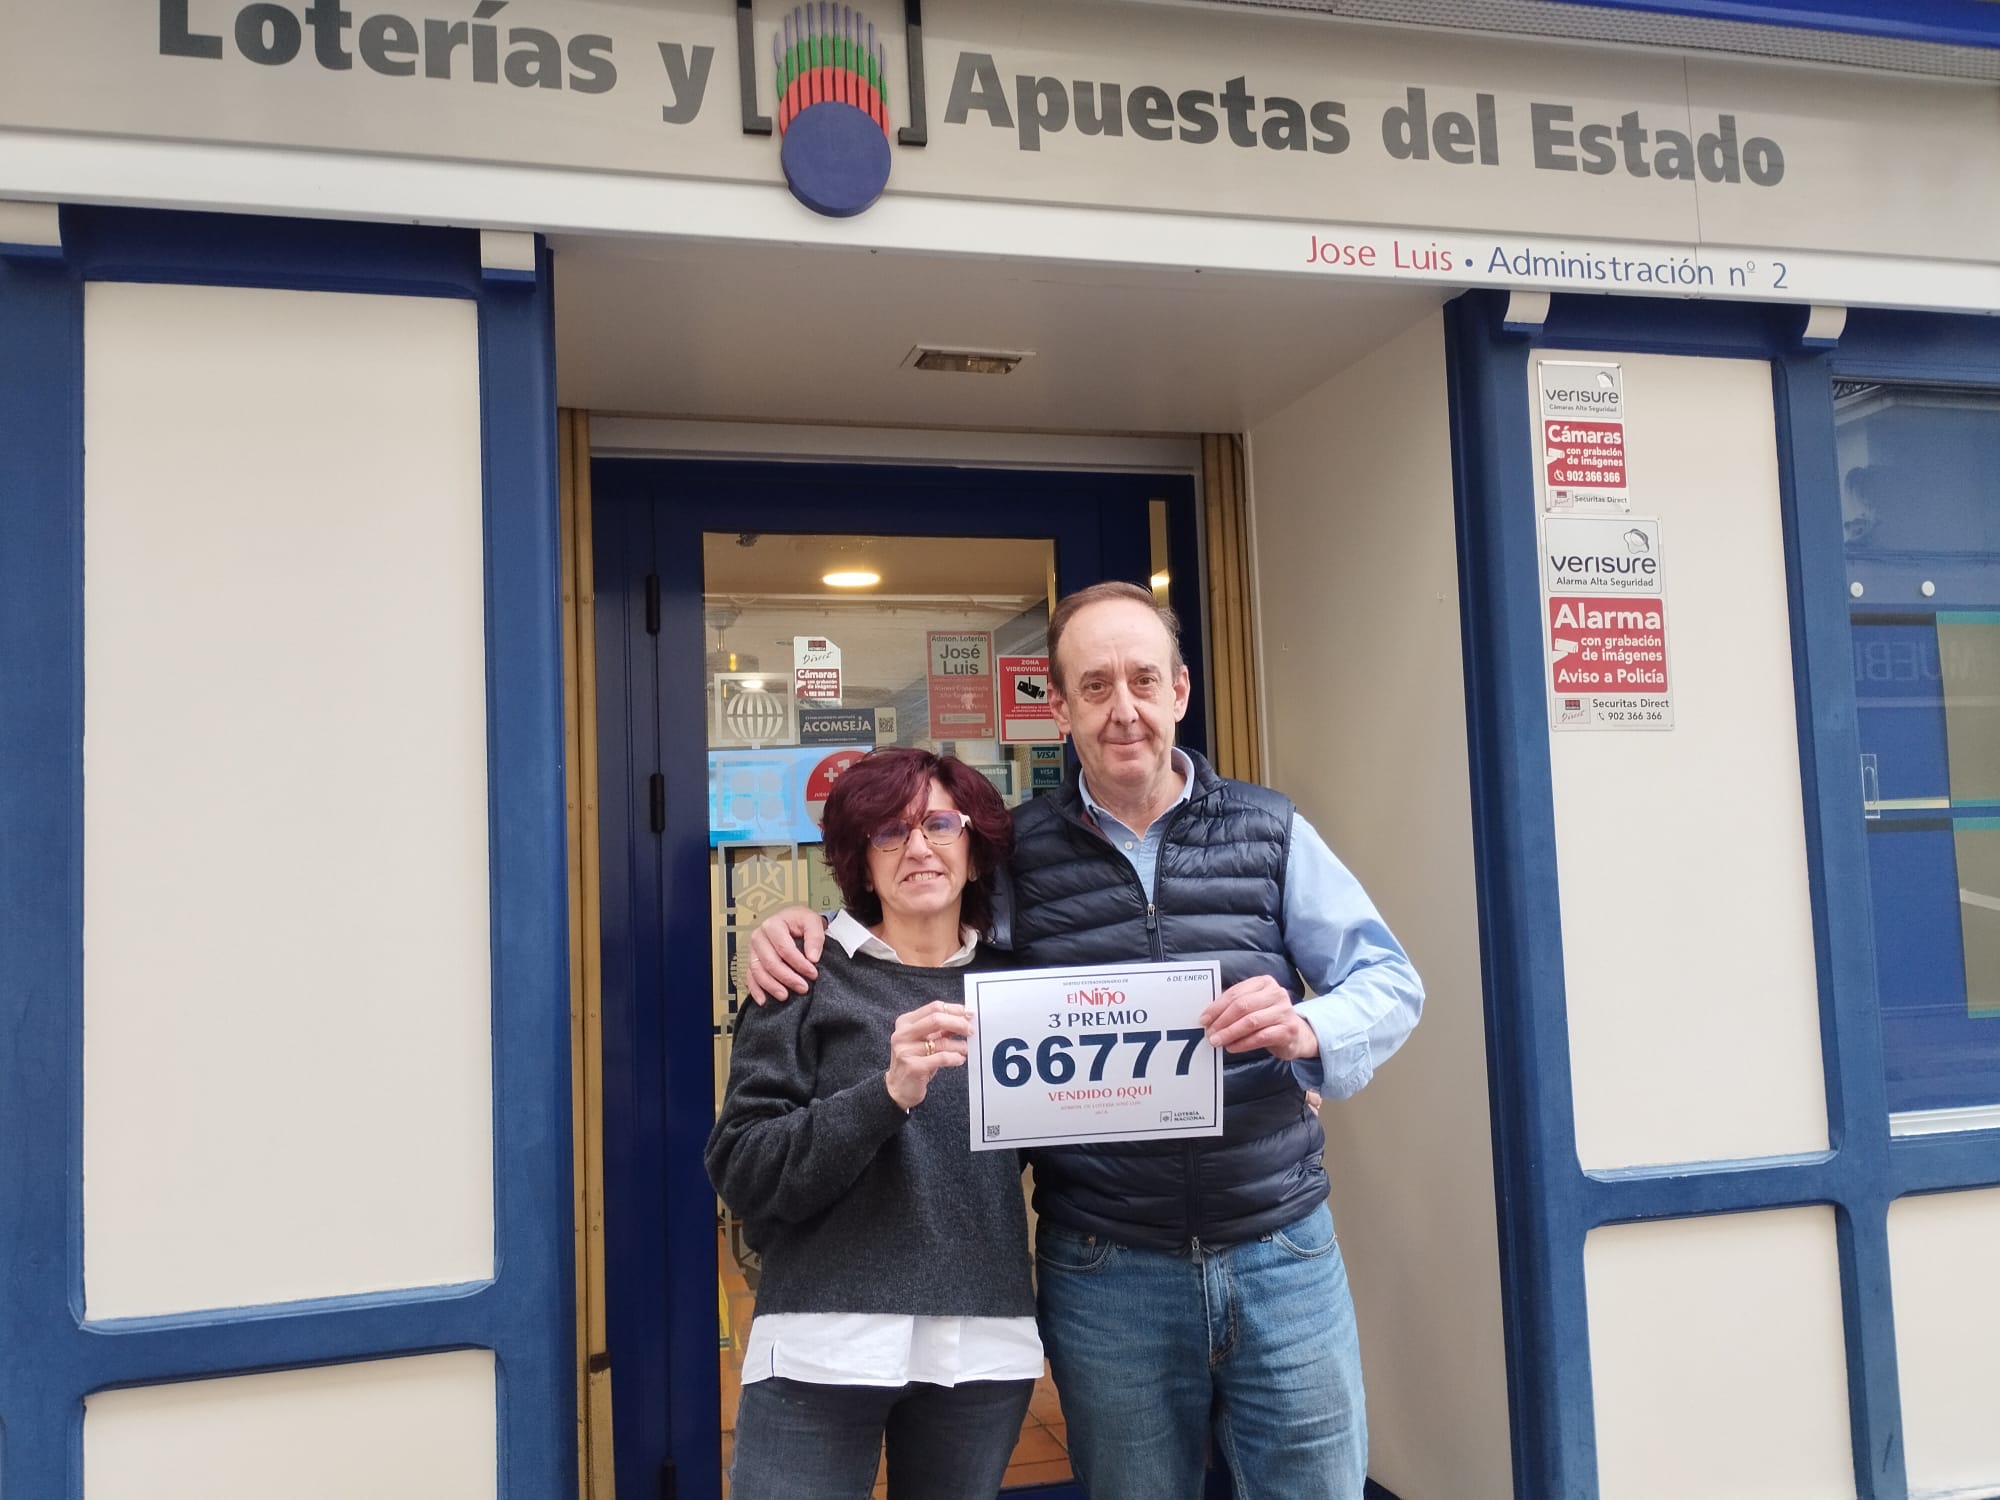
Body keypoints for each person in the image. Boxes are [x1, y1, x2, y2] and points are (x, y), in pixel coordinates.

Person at [744, 581, 1424, 1500]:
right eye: (1095, 686)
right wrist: (803, 925)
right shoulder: (1017, 852)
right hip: (1107, 1267)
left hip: (1283, 1251)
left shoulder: (1272, 831)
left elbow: (1390, 981)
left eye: (1144, 679)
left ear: (1181, 690)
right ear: (1057, 708)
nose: (1124, 709)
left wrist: (1309, 1026)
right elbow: (921, 915)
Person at [706, 747, 1041, 1500]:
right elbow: (743, 1169)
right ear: (860, 860)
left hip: (981, 1346)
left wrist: (1264, 1082)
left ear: (976, 849)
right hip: (821, 1345)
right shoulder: (801, 972)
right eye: (888, 833)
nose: (917, 847)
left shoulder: (1020, 991)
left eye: (939, 824)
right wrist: (882, 1096)